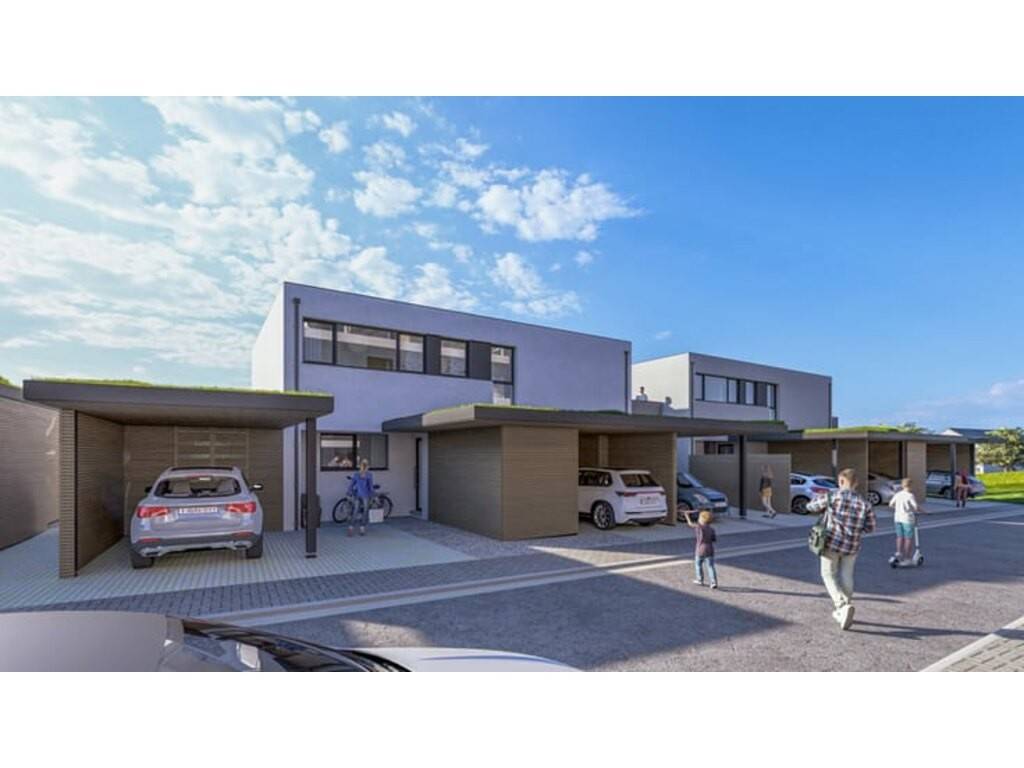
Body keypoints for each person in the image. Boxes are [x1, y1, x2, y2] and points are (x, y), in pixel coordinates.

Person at [806, 467, 876, 630]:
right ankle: (846, 606)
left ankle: (841, 605)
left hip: (831, 542)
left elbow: (810, 506)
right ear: (856, 483)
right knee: (847, 575)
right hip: (852, 545)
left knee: (828, 574)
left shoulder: (833, 496)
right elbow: (871, 527)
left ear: (842, 481)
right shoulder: (865, 503)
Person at [682, 509, 718, 589]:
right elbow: (714, 539)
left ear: (702, 519)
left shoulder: (699, 527)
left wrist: (686, 515)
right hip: (710, 550)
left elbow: (690, 524)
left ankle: (700, 580)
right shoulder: (712, 529)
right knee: (710, 566)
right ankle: (713, 582)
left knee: (698, 565)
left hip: (700, 550)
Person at [888, 477, 920, 563]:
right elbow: (916, 507)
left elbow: (890, 504)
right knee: (908, 538)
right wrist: (924, 512)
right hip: (907, 519)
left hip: (897, 518)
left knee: (899, 536)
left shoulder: (898, 494)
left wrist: (898, 508)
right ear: (911, 486)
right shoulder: (910, 495)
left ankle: (899, 552)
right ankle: (907, 557)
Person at [346, 459, 375, 537]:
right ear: (368, 466)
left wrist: (348, 492)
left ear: (360, 465)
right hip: (365, 495)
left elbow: (351, 484)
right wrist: (373, 495)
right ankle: (362, 528)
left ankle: (351, 528)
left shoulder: (356, 474)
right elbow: (370, 487)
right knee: (365, 511)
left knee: (355, 511)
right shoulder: (369, 475)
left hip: (357, 495)